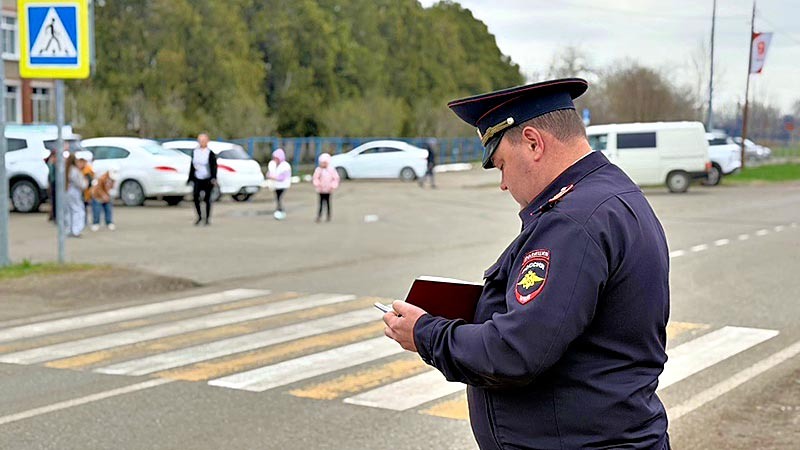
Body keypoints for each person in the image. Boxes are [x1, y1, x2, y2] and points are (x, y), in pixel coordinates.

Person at [383, 78, 671, 449]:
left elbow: (515, 352)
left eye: (501, 164)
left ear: (534, 143)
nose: (503, 184)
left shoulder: (572, 221)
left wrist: (425, 334)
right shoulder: (612, 195)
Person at [188, 133, 217, 226]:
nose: (202, 142)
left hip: (207, 178)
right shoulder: (195, 152)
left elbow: (214, 166)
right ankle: (199, 216)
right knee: (196, 197)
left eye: (203, 140)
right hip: (197, 178)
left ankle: (207, 218)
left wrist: (213, 178)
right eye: (200, 141)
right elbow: (192, 166)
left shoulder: (210, 153)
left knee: (207, 199)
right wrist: (190, 178)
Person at [64, 154, 88, 237]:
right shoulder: (74, 170)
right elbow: (81, 184)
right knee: (78, 210)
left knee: (69, 211)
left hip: (67, 191)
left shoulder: (66, 169)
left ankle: (68, 229)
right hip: (74, 192)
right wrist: (85, 183)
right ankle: (76, 230)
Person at [312, 153, 340, 222]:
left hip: (328, 190)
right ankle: (319, 216)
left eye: (325, 163)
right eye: (322, 163)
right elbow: (315, 178)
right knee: (320, 203)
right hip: (321, 190)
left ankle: (328, 215)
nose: (323, 164)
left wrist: (333, 186)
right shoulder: (318, 170)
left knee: (328, 203)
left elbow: (336, 178)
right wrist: (317, 184)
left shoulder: (331, 170)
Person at [266, 148, 291, 220]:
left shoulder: (285, 166)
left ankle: (280, 211)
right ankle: (279, 210)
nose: (274, 159)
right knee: (278, 198)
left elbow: (283, 177)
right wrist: (269, 175)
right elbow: (270, 172)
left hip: (283, 185)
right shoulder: (273, 165)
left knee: (280, 198)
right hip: (276, 185)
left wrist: (274, 177)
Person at [46, 150, 57, 223]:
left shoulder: (50, 163)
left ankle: (53, 215)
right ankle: (54, 216)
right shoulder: (52, 163)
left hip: (53, 183)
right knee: (54, 200)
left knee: (53, 200)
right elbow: (51, 176)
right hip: (54, 183)